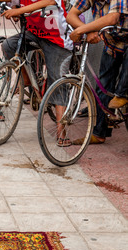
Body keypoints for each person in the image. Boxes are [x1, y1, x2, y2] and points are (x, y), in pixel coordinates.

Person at [1, 0, 73, 146]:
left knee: (58, 81)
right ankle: (25, 79)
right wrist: (13, 8)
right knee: (8, 45)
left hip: (56, 37)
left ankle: (61, 132)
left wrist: (19, 11)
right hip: (34, 33)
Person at [67, 0, 127, 144]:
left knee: (122, 89)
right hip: (112, 44)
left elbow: (113, 18)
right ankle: (99, 133)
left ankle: (122, 94)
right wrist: (89, 30)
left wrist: (81, 30)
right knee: (103, 87)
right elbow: (71, 15)